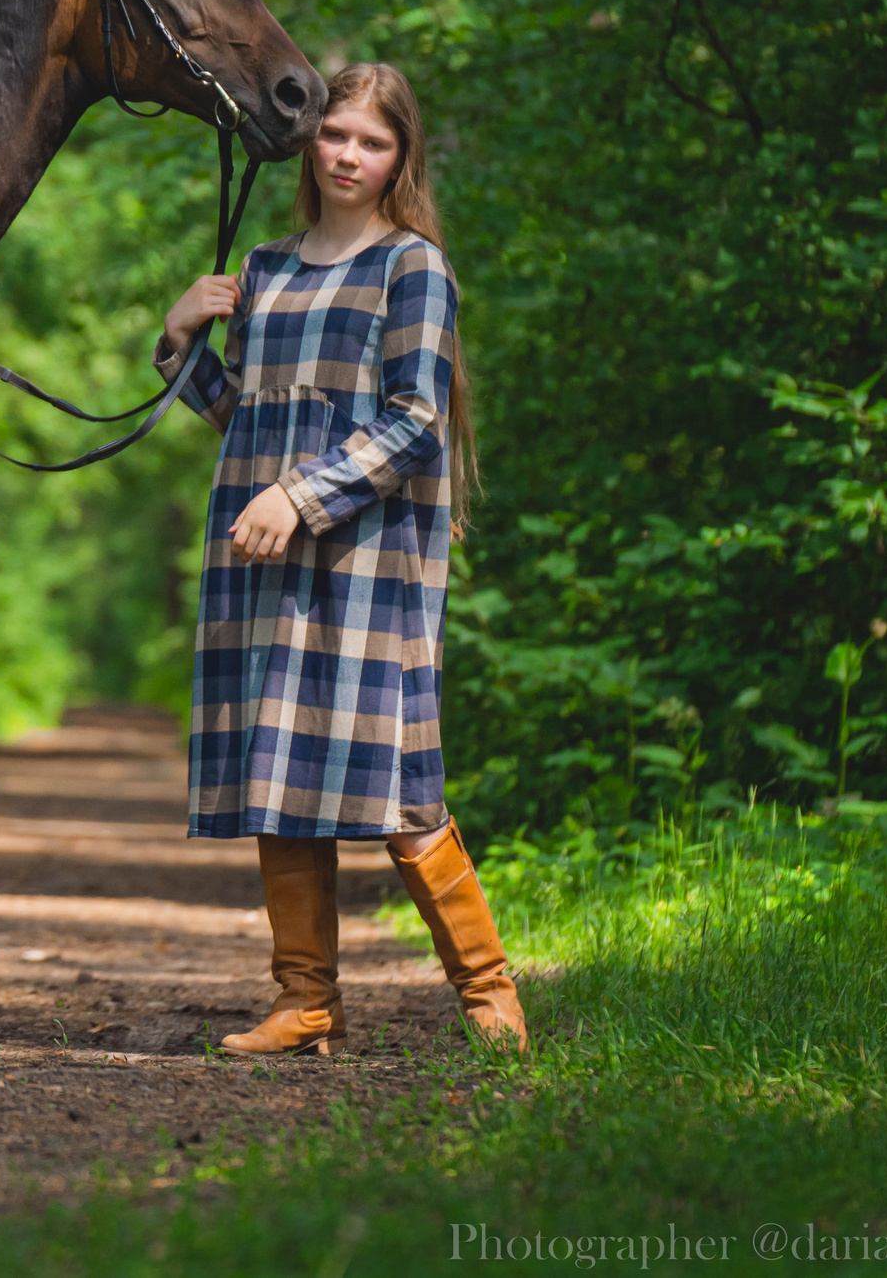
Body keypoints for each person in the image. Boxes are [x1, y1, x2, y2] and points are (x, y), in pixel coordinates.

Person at [156, 61, 526, 1055]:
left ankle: (489, 993)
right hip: (260, 540)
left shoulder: (413, 268)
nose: (349, 156)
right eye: (335, 136)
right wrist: (178, 338)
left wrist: (299, 494)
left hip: (368, 553)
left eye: (372, 142)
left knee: (397, 780)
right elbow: (247, 419)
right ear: (309, 144)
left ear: (399, 158)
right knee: (282, 767)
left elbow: (414, 423)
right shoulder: (267, 268)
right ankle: (304, 1002)